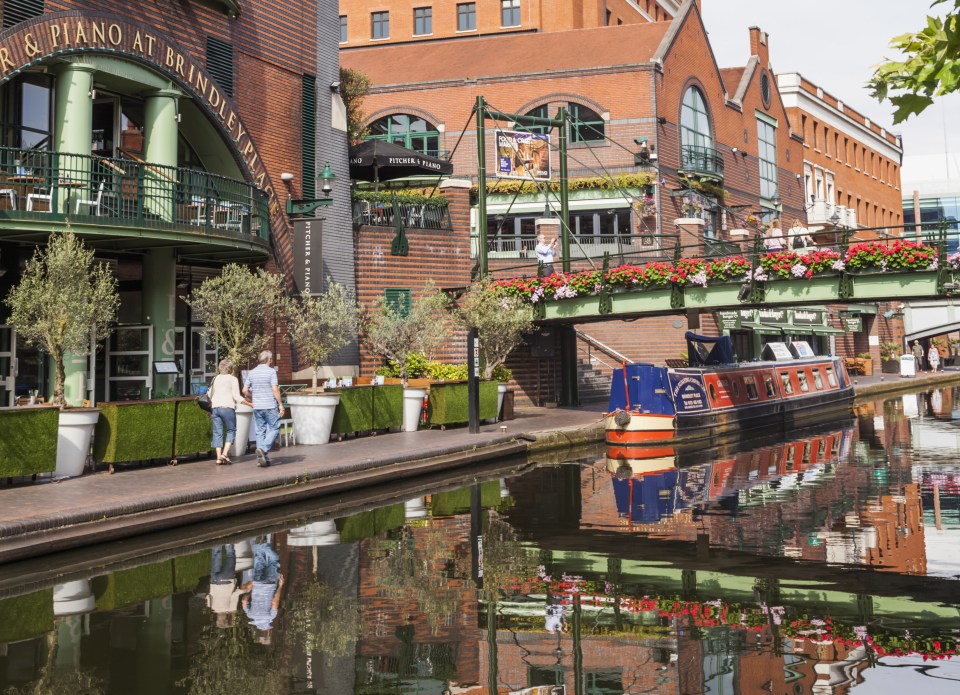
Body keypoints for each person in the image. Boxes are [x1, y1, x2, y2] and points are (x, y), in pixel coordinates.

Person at [243, 350, 285, 467]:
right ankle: (264, 449)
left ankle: (261, 459)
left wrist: (253, 398)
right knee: (275, 427)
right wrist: (280, 404)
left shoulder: (252, 373)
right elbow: (275, 389)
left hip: (257, 407)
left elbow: (245, 391)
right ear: (269, 360)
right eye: (271, 359)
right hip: (269, 406)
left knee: (259, 431)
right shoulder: (271, 372)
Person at [241, 538, 284, 644]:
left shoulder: (271, 616)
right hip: (257, 583)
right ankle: (258, 538)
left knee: (274, 561)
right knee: (259, 559)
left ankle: (264, 545)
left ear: (269, 632)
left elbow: (275, 602)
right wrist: (252, 589)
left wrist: (280, 586)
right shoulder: (250, 615)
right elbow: (244, 600)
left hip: (270, 585)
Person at [209, 359, 251, 465]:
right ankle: (224, 454)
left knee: (217, 433)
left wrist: (210, 409)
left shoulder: (215, 378)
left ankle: (218, 458)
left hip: (215, 408)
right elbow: (237, 397)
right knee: (231, 430)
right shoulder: (233, 379)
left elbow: (209, 394)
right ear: (230, 368)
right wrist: (251, 404)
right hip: (227, 408)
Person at [207, 543, 246, 628]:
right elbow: (208, 596)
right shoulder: (212, 608)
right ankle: (217, 537)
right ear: (217, 619)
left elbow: (235, 595)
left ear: (227, 619)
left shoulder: (231, 609)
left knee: (230, 556)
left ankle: (228, 541)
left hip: (227, 580)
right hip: (214, 581)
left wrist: (244, 590)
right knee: (216, 554)